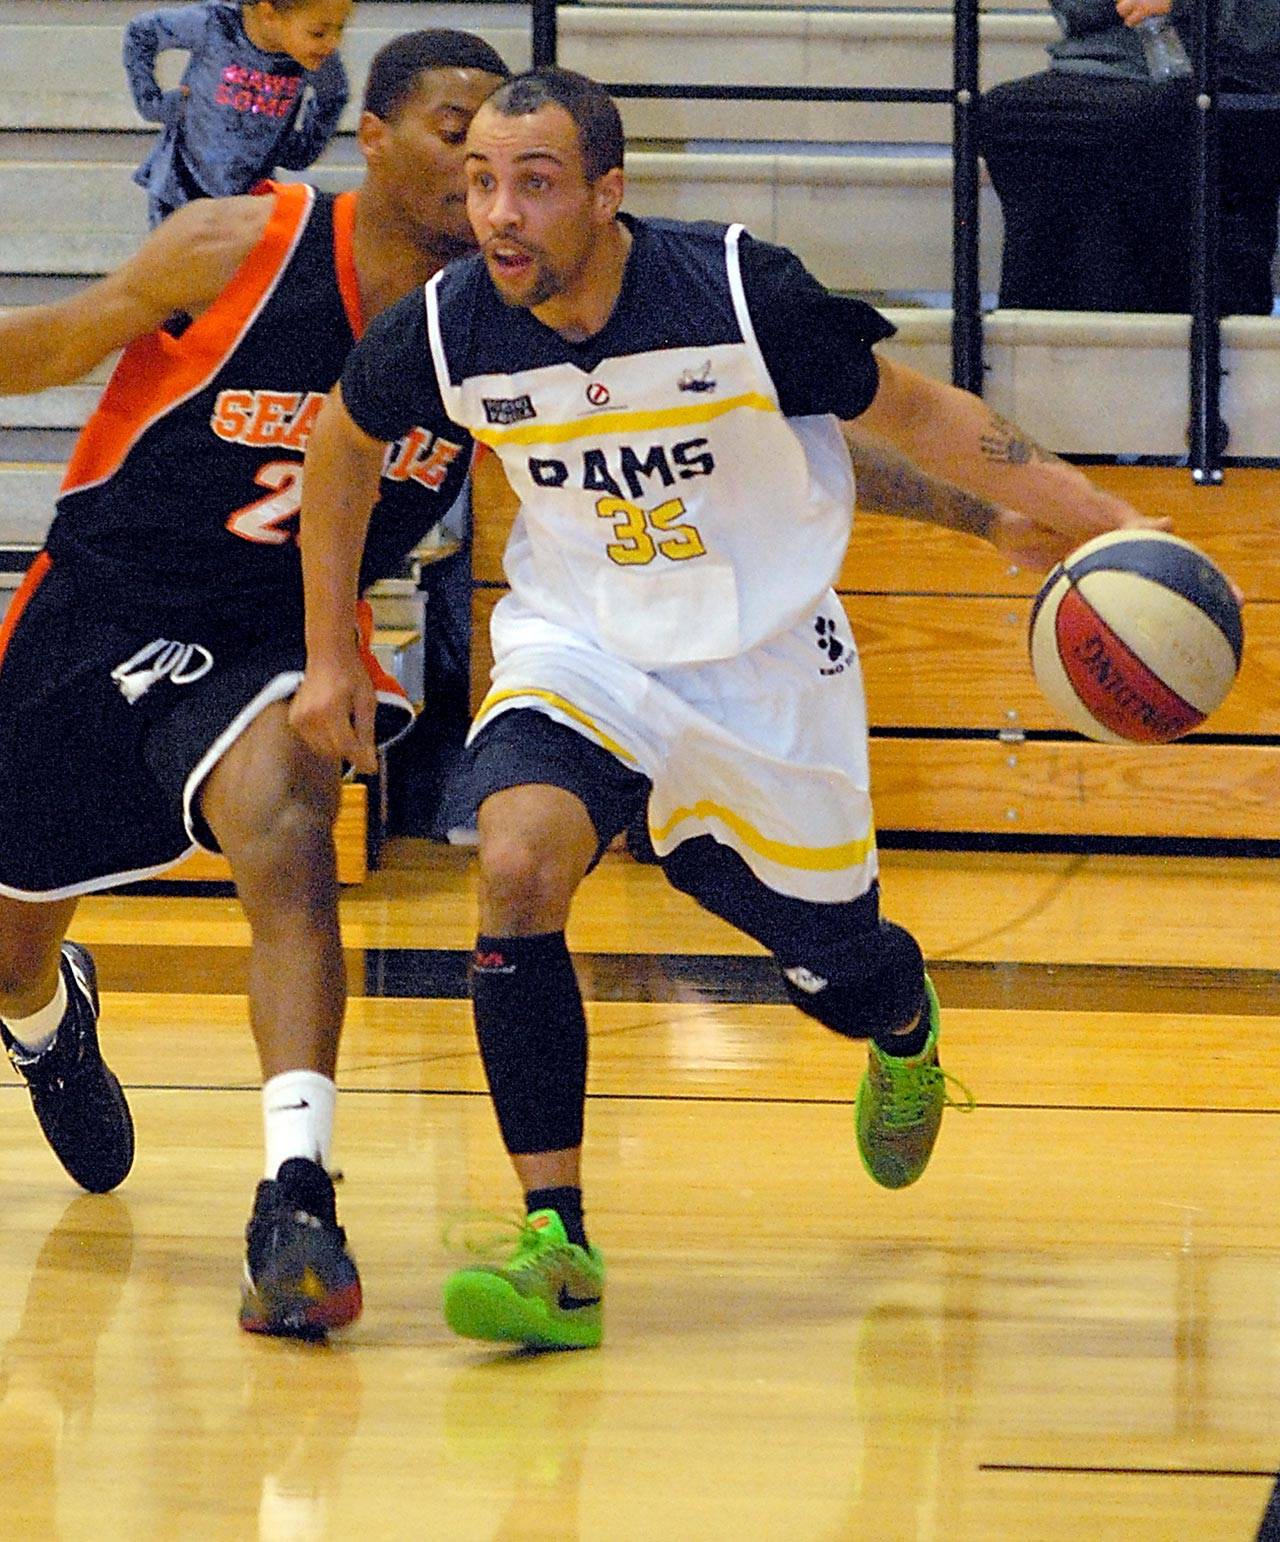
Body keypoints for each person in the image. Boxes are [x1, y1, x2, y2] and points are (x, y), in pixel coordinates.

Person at [290, 67, 1163, 1352]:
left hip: (764, 667)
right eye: (480, 182)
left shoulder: (740, 292)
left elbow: (916, 416)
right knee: (517, 860)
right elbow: (340, 452)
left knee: (830, 970)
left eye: (533, 184)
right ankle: (557, 1248)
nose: (498, 215)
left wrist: (1105, 528)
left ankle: (897, 1013)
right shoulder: (445, 327)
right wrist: (328, 657)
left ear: (607, 192)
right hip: (580, 642)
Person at [0, 29, 510, 1339]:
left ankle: (296, 1196)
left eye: (499, 133)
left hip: (278, 634)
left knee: (288, 821)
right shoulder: (243, 243)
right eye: (454, 124)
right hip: (99, 605)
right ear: (378, 136)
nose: (479, 154)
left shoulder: (498, 320)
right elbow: (48, 346)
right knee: (6, 949)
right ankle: (49, 1019)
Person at [980, 0, 1280, 314]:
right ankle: (1045, 335)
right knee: (1008, 111)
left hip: (1219, 70)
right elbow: (1075, 12)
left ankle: (1176, 326)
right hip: (1098, 65)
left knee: (1154, 120)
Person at [124, 0, 353, 227]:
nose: (332, 43)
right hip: (181, 188)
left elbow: (334, 94)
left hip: (252, 199)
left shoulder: (315, 54)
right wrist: (153, 103)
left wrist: (302, 150)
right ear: (268, 13)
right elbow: (142, 32)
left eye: (340, 29)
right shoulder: (216, 26)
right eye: (318, 32)